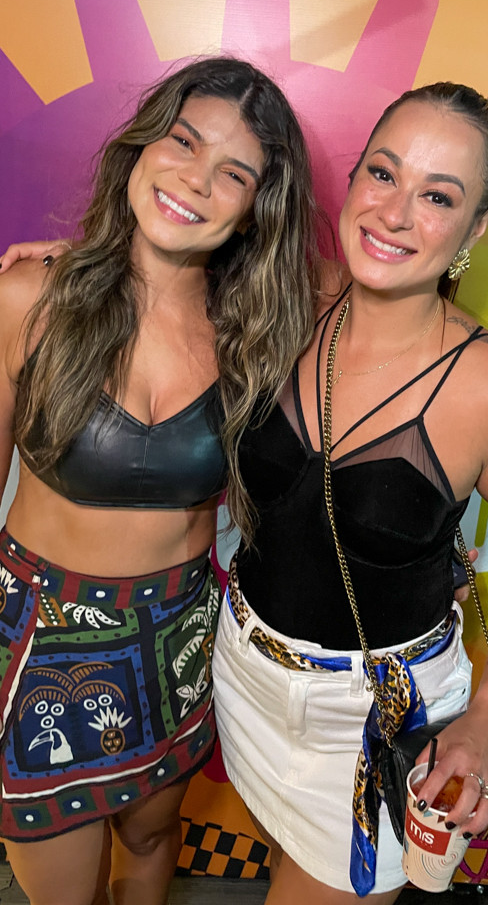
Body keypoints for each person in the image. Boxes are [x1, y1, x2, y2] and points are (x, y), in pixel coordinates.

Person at [208, 84, 488, 903]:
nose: (395, 213)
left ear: (475, 228)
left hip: (371, 722)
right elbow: (159, 276)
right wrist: (50, 271)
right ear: (354, 176)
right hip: (243, 671)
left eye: (437, 197)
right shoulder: (294, 299)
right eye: (383, 173)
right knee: (278, 856)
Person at [0, 56, 320, 905]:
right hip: (40, 642)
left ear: (257, 208)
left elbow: (390, 292)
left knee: (148, 842)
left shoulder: (261, 335)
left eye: (235, 173)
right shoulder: (27, 298)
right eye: (182, 141)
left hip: (177, 637)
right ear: (140, 147)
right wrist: (88, 262)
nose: (196, 179)